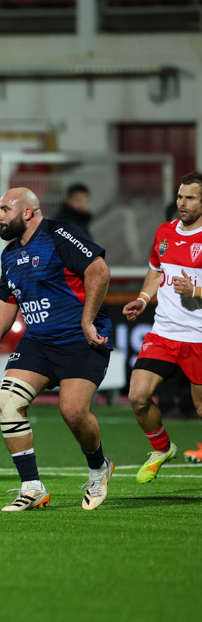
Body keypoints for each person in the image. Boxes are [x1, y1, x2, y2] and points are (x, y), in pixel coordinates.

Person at [0, 187, 113, 512]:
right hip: (39, 341)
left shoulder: (59, 233)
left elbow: (98, 271)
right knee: (7, 402)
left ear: (27, 212)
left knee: (73, 412)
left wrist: (87, 321)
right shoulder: (9, 254)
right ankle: (32, 487)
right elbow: (6, 298)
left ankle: (99, 469)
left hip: (80, 338)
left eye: (4, 209)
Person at [122, 171, 202, 475]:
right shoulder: (165, 232)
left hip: (199, 336)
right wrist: (143, 299)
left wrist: (194, 291)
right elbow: (156, 271)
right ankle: (162, 447)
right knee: (137, 397)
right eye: (180, 196)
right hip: (164, 332)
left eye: (190, 198)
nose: (182, 202)